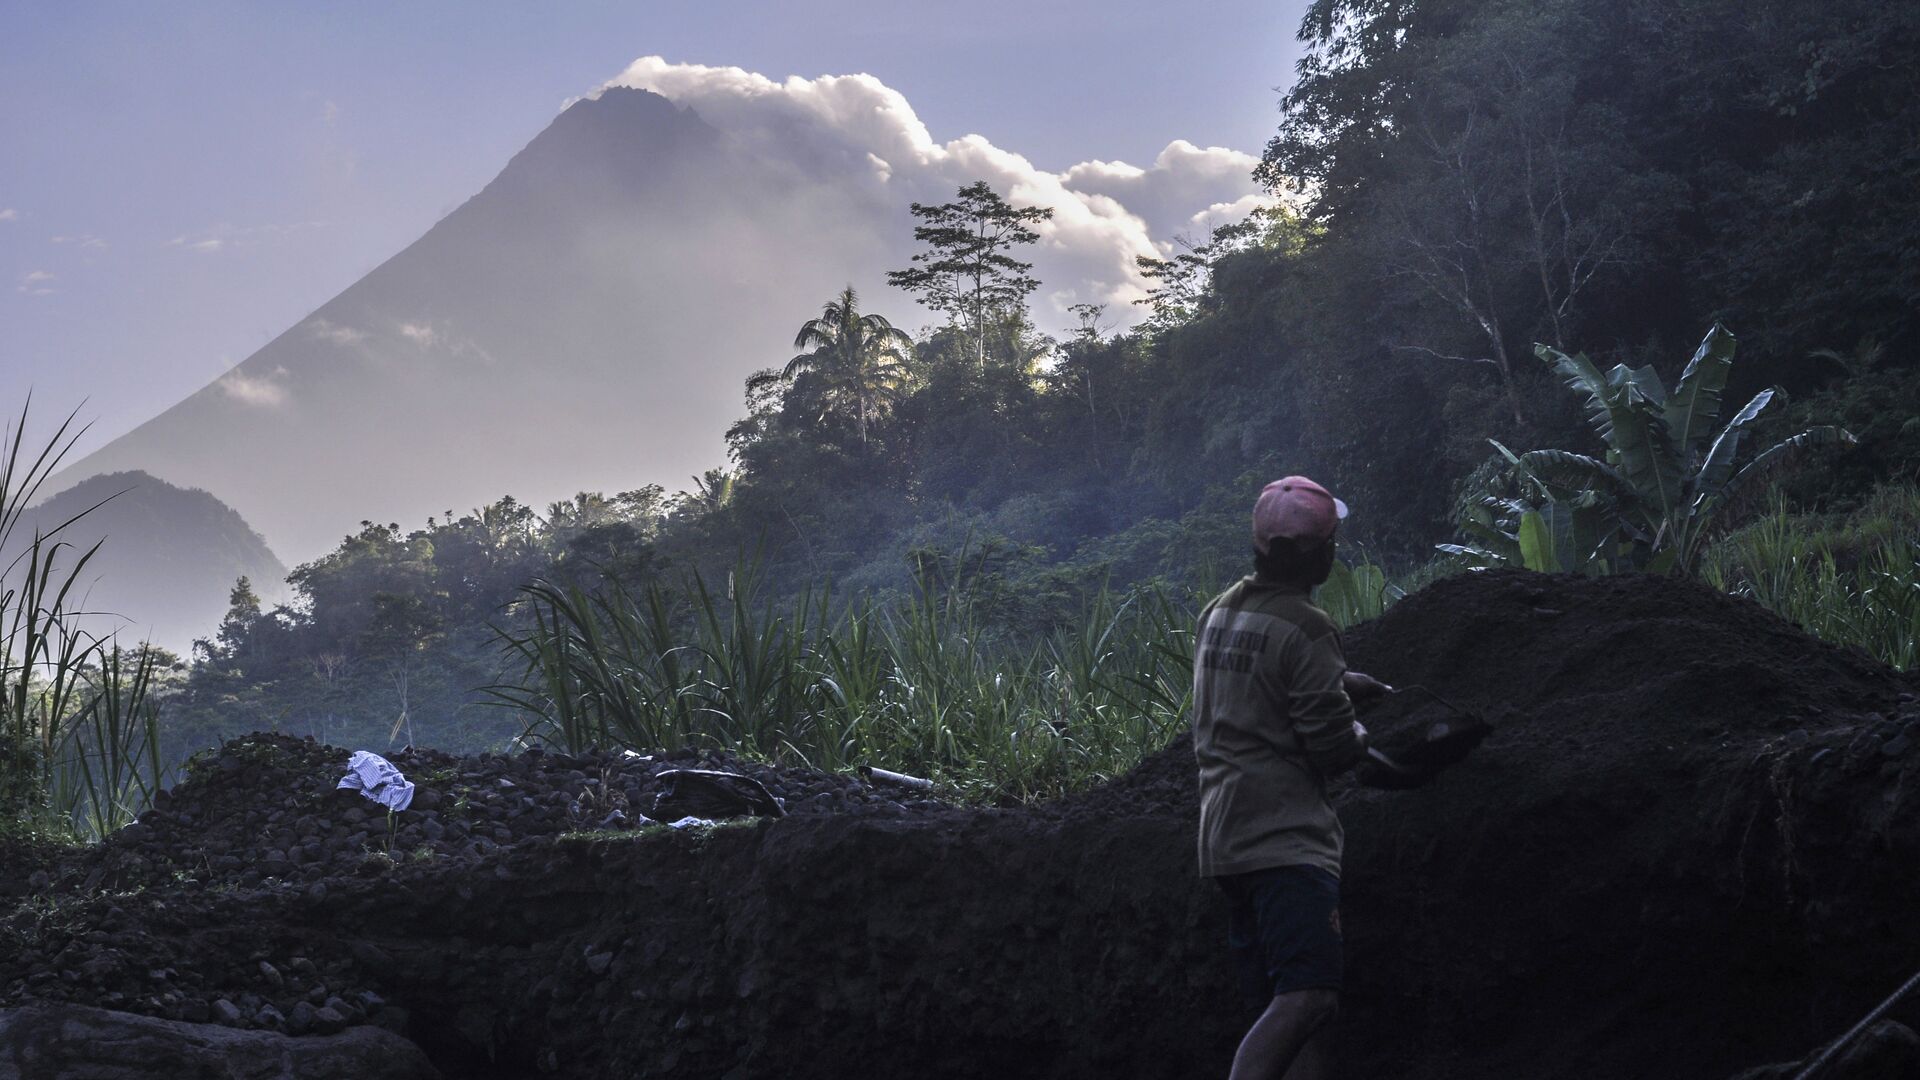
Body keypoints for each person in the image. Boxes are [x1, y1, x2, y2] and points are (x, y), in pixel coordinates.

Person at [1191, 475, 1410, 1080]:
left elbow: (1256, 685)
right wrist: (1364, 735)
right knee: (1310, 998)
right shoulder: (1309, 626)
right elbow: (1335, 749)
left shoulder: (1221, 613)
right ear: (1320, 555)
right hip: (1284, 840)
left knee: (1287, 1015)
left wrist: (1341, 683)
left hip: (1225, 838)